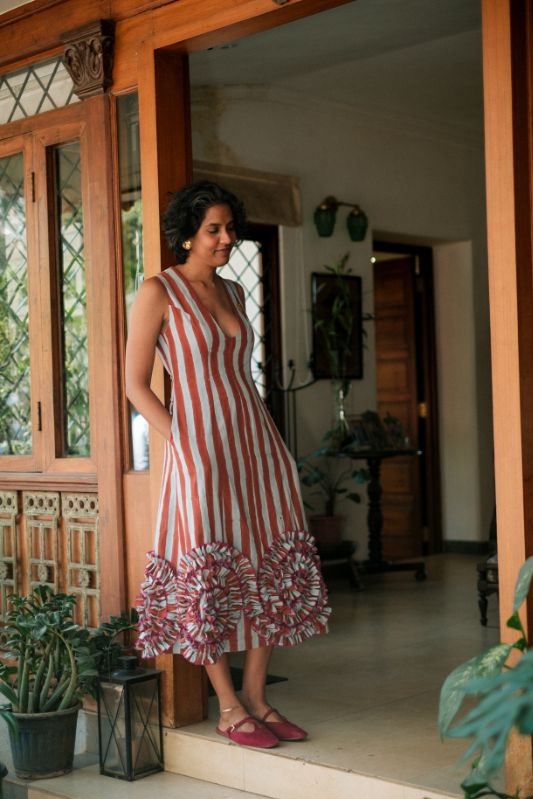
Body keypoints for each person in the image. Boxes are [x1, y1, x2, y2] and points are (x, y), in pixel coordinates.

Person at [125, 180, 330, 749]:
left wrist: (271, 446)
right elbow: (135, 385)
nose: (225, 238)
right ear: (187, 233)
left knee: (269, 560)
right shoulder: (159, 291)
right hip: (198, 448)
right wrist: (181, 443)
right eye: (213, 229)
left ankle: (258, 698)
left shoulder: (236, 291)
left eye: (229, 228)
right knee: (208, 568)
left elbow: (240, 375)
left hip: (256, 443)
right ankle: (229, 706)